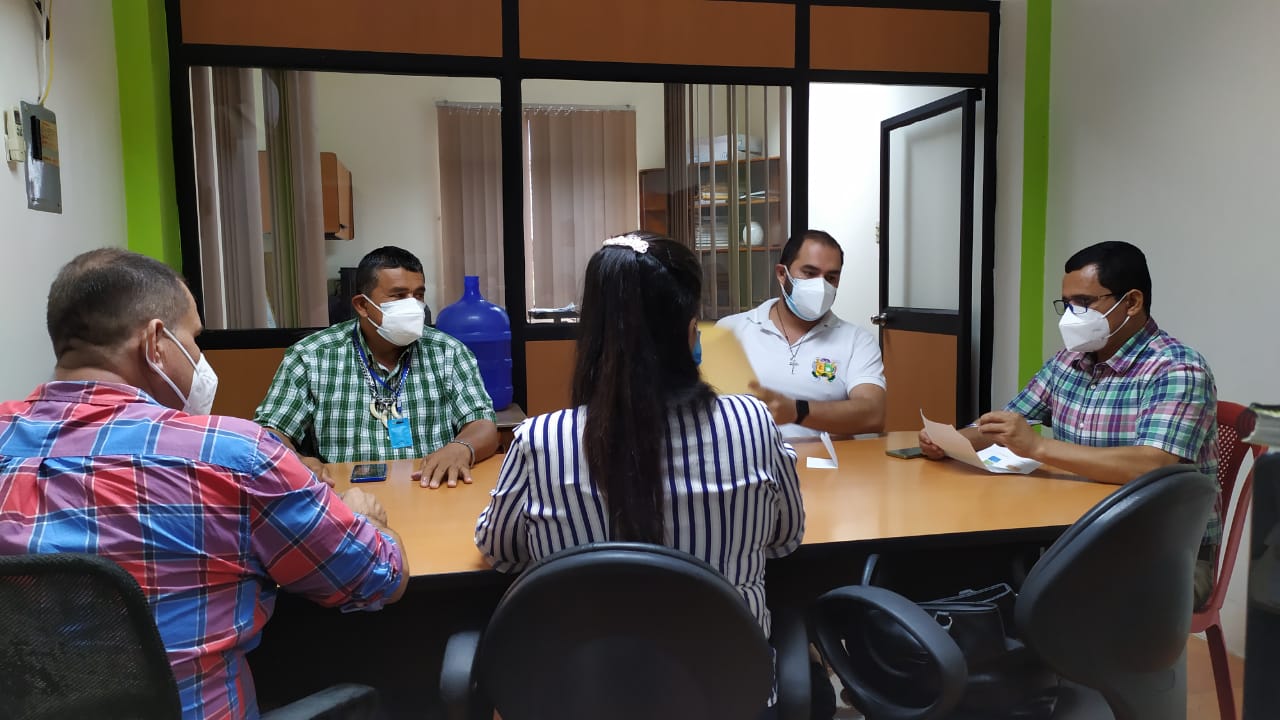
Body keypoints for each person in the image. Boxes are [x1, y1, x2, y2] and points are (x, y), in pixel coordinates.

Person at [0, 248, 409, 719]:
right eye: (194, 339)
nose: (200, 357)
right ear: (156, 342)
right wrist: (367, 520)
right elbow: (377, 577)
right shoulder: (233, 456)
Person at [475, 232, 818, 718]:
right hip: (729, 700)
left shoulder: (541, 439)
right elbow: (785, 539)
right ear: (691, 331)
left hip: (577, 702)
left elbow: (501, 553)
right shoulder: (752, 422)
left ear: (592, 337)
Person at [919, 240, 1219, 606]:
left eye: (1085, 302)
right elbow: (1007, 423)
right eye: (1067, 304)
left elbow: (1153, 465)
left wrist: (1038, 446)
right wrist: (950, 441)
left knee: (1030, 589)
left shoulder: (1176, 368)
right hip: (1073, 531)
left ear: (1132, 302)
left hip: (1162, 549)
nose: (1071, 316)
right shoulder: (1069, 361)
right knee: (961, 564)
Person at [255, 246, 498, 489]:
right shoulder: (311, 356)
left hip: (431, 489)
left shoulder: (448, 352)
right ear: (362, 305)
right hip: (345, 497)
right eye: (399, 296)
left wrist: (461, 447)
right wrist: (295, 461)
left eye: (418, 295)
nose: (413, 306)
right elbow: (269, 431)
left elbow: (483, 424)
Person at [717, 229, 886, 439]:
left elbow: (873, 414)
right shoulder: (730, 331)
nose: (821, 286)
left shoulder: (857, 341)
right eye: (809, 273)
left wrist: (797, 411)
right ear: (782, 274)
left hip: (826, 459)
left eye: (831, 277)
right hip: (751, 457)